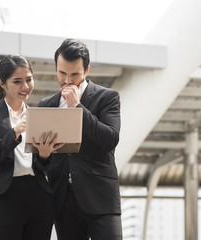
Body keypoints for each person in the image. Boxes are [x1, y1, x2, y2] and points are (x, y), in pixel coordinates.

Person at [37, 38, 122, 240]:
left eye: (74, 74)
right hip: (63, 200)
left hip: (100, 198)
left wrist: (78, 108)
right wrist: (43, 155)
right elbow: (41, 163)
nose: (67, 80)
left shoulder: (107, 97)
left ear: (86, 70)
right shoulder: (46, 105)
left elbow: (110, 139)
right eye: (62, 73)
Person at [0, 54, 63, 240]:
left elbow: (42, 166)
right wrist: (15, 131)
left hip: (38, 194)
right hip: (6, 196)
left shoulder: (38, 116)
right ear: (3, 84)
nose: (25, 87)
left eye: (29, 80)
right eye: (17, 81)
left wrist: (45, 155)